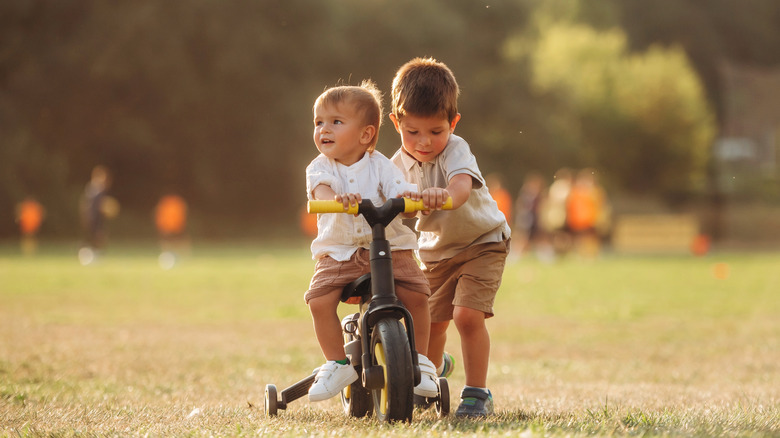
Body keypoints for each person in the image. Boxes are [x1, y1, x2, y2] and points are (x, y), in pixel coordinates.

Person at [389, 57, 511, 418]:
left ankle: (477, 393)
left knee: (466, 317)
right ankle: (431, 373)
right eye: (412, 132)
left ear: (452, 123)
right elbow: (397, 208)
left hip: (482, 243)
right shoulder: (395, 166)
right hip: (435, 253)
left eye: (436, 131)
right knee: (431, 323)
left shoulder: (457, 149)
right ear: (396, 122)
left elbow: (459, 190)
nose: (424, 142)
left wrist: (438, 196)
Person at [304, 80, 439, 402]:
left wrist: (408, 195)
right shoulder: (320, 166)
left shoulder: (380, 164)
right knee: (319, 301)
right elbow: (319, 191)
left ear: (365, 134)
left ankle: (421, 359)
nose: (324, 128)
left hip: (390, 248)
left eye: (336, 121)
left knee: (418, 296)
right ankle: (336, 364)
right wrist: (335, 198)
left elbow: (397, 185)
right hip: (339, 253)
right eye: (319, 121)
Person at [79, 165, 118, 265]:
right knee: (97, 238)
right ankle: (89, 256)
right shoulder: (95, 190)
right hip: (93, 219)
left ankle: (93, 256)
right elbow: (94, 206)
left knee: (98, 238)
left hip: (95, 218)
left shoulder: (94, 189)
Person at [154, 192, 189, 269]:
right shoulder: (165, 202)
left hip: (176, 226)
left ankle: (181, 257)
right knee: (167, 243)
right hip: (167, 226)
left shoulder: (177, 201)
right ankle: (167, 257)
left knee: (178, 242)